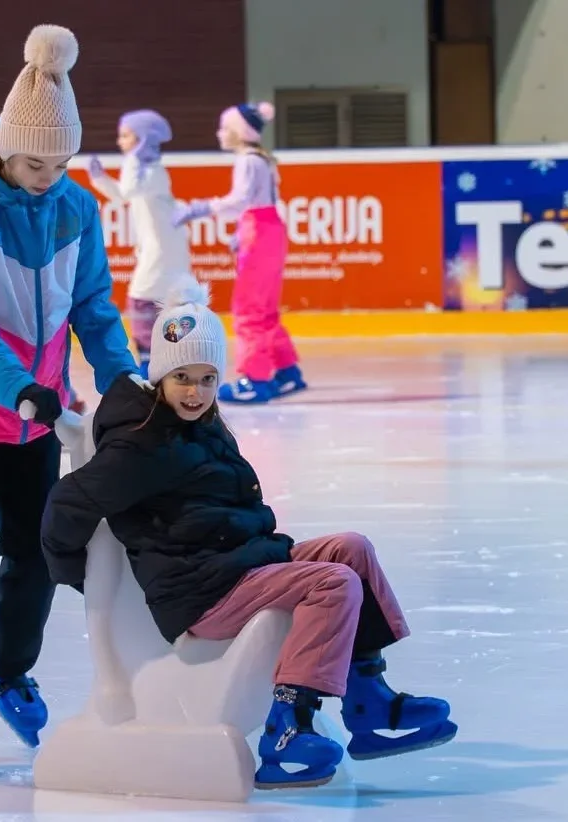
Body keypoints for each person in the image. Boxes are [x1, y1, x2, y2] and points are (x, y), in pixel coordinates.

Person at [39, 286, 456, 789]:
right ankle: (286, 730)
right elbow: (67, 504)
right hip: (201, 592)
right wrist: (80, 580)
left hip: (238, 564)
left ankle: (367, 699)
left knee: (352, 548)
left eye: (207, 379)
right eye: (182, 379)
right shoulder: (141, 446)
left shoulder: (203, 425)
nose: (195, 392)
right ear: (160, 377)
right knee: (332, 583)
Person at [0, 23, 141, 767]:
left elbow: (94, 306)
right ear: (6, 148)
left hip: (37, 422)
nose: (47, 175)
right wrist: (18, 388)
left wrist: (122, 379)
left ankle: (11, 674)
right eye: (35, 162)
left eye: (60, 162)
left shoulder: (76, 211)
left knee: (40, 560)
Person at [174, 101, 303, 404]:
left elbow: (240, 199)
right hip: (270, 229)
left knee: (248, 310)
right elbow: (259, 201)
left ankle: (255, 380)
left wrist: (201, 208)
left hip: (259, 232)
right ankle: (286, 370)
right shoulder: (262, 159)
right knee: (266, 308)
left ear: (239, 132)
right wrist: (240, 230)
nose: (220, 133)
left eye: (225, 127)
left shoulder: (247, 160)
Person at [86, 110, 200, 380]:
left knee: (142, 301)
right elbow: (125, 194)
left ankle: (154, 362)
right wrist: (100, 179)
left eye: (126, 136)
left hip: (162, 252)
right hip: (161, 250)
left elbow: (128, 190)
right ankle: (166, 359)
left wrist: (131, 159)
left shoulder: (151, 171)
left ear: (142, 139)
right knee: (157, 303)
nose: (120, 141)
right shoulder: (146, 172)